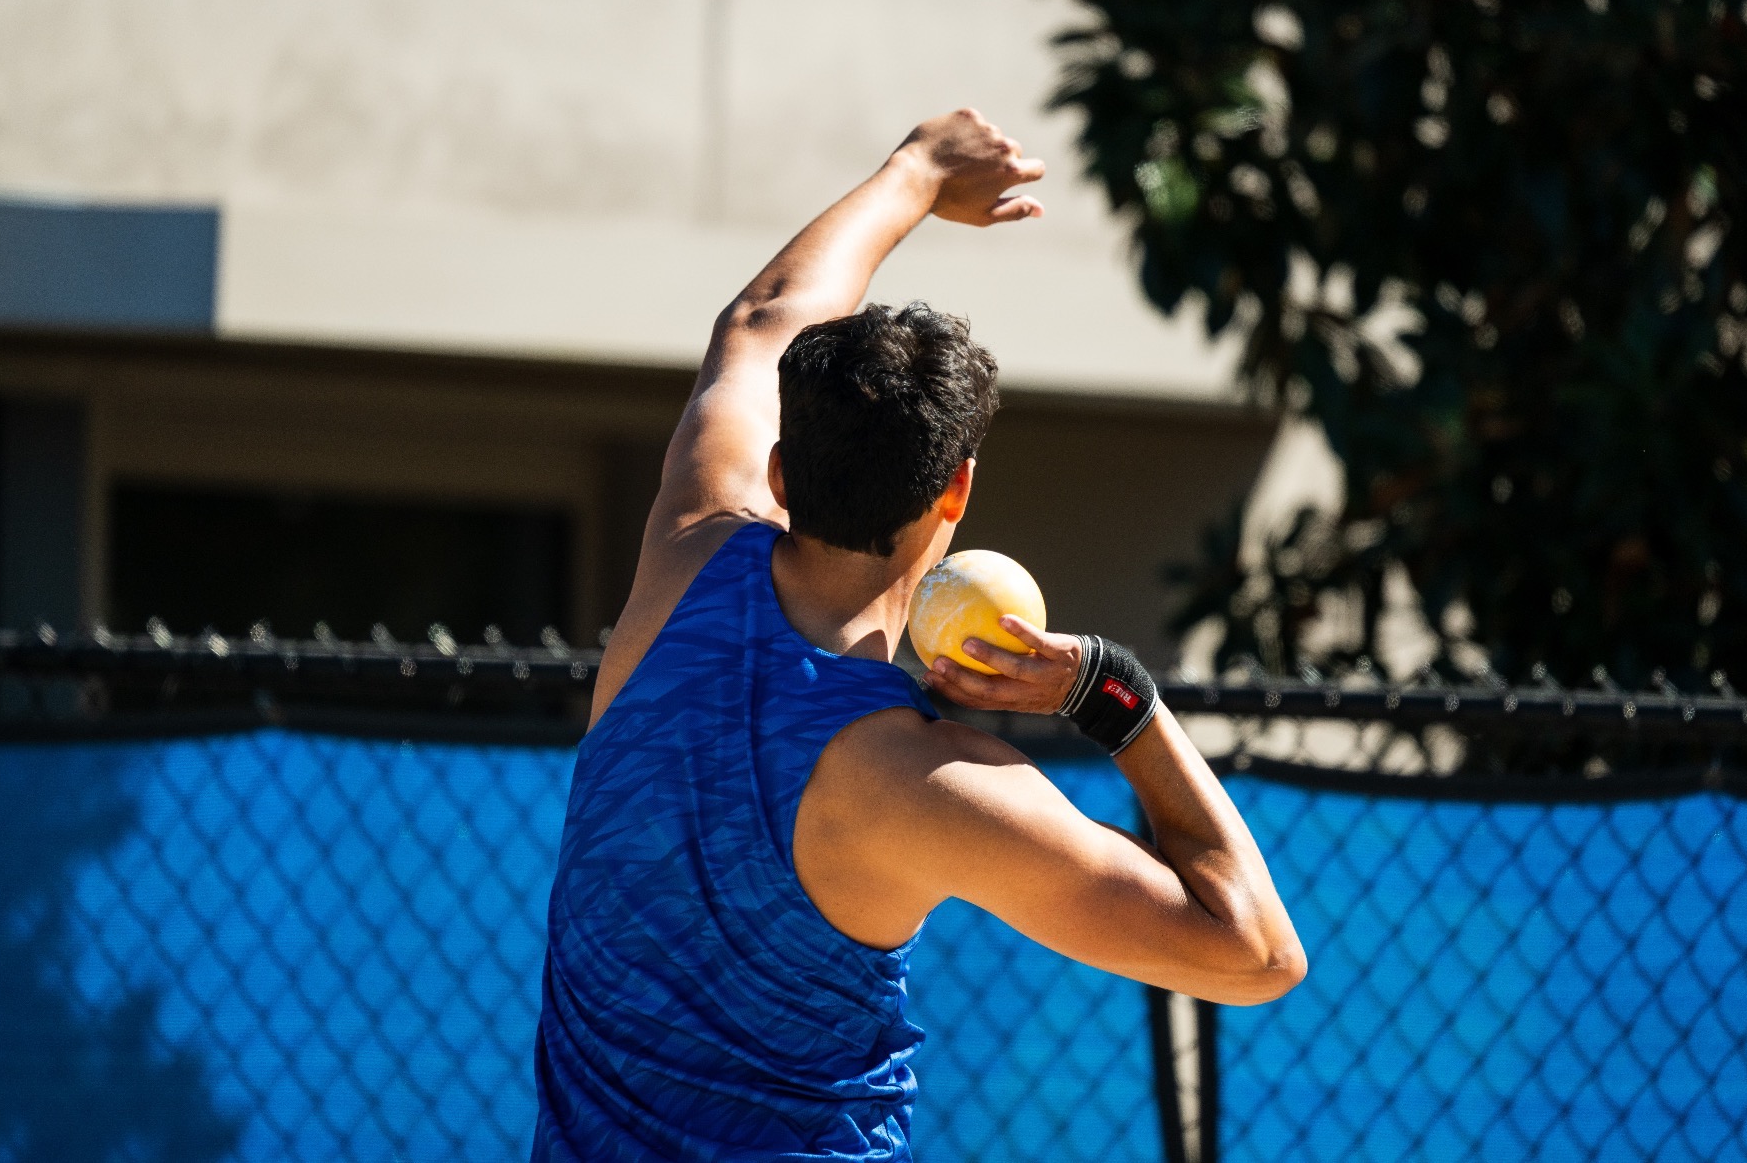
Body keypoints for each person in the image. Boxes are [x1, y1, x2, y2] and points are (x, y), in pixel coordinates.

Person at [532, 109, 1305, 1162]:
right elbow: (1254, 952)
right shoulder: (928, 784)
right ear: (957, 493)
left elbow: (760, 320)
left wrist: (919, 169)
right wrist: (1115, 698)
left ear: (777, 474)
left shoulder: (686, 554)